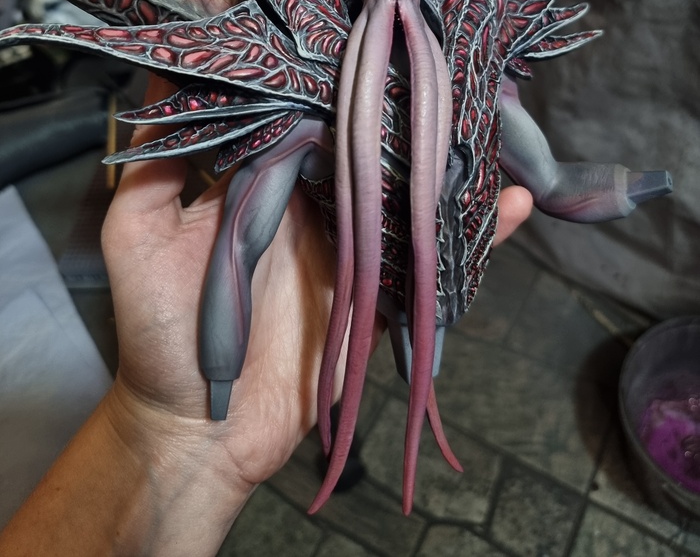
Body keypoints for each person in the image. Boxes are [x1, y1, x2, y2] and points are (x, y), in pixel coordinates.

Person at [0, 76, 532, 556]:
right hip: (302, 125)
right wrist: (174, 428)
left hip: (374, 148)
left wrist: (174, 436)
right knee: (250, 231)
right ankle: (285, 412)